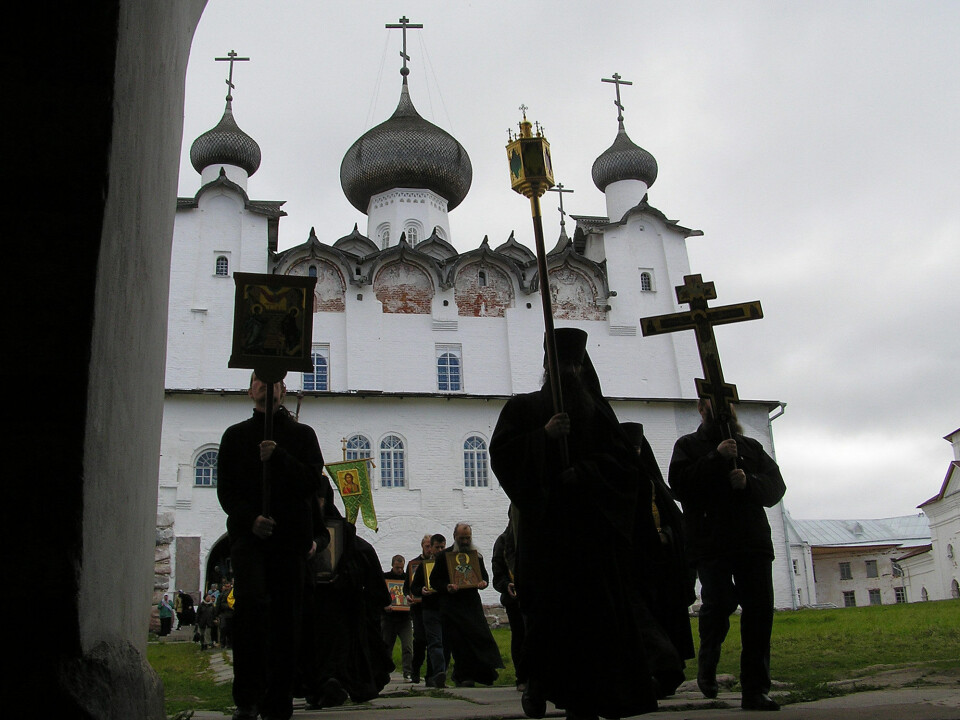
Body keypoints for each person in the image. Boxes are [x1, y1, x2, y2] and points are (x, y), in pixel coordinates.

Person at [490, 328, 658, 720]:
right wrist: (543, 438)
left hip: (591, 539)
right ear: (548, 366)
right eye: (561, 363)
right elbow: (503, 457)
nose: (568, 369)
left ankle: (597, 695)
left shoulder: (597, 413)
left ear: (582, 367)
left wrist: (584, 472)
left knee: (596, 623)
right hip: (546, 537)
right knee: (548, 621)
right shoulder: (524, 408)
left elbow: (624, 467)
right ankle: (539, 686)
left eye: (574, 363)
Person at [217, 372, 326, 720]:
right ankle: (247, 698)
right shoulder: (235, 437)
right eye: (259, 381)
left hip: (289, 541)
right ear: (251, 390)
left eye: (274, 381)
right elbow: (227, 491)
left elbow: (312, 481)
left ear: (283, 390)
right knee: (250, 612)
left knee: (286, 620)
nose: (266, 387)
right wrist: (250, 519)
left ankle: (278, 702)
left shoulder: (302, 435)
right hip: (250, 540)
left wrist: (278, 457)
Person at [668, 398, 786, 712]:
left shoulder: (750, 447)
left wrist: (750, 482)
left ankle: (755, 689)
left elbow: (775, 487)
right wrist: (714, 458)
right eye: (710, 407)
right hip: (711, 542)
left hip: (752, 541)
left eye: (725, 408)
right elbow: (679, 486)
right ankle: (708, 660)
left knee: (759, 612)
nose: (719, 413)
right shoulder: (688, 446)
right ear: (700, 410)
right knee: (719, 602)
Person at [297, 484, 392, 709]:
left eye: (320, 499)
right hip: (309, 603)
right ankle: (316, 688)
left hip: (338, 604)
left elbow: (355, 564)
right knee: (310, 648)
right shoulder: (301, 527)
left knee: (336, 650)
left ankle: (334, 685)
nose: (317, 505)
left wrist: (341, 578)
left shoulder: (342, 531)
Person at [621, 421, 695, 698]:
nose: (636, 453)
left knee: (666, 618)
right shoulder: (620, 483)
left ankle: (669, 669)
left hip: (663, 567)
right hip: (636, 566)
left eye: (639, 448)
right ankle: (653, 671)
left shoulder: (655, 484)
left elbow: (676, 522)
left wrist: (666, 535)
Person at [429, 523, 503, 687]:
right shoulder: (444, 557)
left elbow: (483, 577)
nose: (465, 541)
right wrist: (447, 587)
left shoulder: (475, 557)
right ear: (455, 536)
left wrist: (483, 583)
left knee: (479, 638)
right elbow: (434, 580)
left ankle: (483, 674)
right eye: (462, 538)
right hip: (452, 607)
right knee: (459, 643)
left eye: (467, 538)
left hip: (471, 605)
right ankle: (462, 676)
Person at [409, 533, 448, 688]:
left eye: (442, 547)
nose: (439, 550)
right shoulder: (424, 566)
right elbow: (414, 586)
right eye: (436, 547)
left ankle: (436, 674)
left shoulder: (448, 564)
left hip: (444, 608)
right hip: (429, 609)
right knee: (434, 642)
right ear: (430, 548)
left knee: (443, 642)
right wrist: (422, 590)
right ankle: (437, 673)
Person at [492, 522, 527, 692]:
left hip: (534, 597)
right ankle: (522, 677)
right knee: (520, 635)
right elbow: (498, 575)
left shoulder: (530, 537)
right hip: (514, 600)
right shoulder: (503, 542)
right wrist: (507, 585)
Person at [404, 535, 433, 684]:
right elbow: (407, 587)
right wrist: (408, 596)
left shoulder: (437, 563)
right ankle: (415, 670)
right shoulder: (414, 564)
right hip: (418, 608)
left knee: (433, 641)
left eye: (431, 546)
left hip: (433, 608)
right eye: (427, 546)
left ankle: (430, 675)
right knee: (420, 640)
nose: (429, 549)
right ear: (422, 546)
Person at [382, 554, 414, 681]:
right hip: (389, 618)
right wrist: (384, 606)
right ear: (392, 566)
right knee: (386, 646)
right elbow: (379, 595)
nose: (400, 570)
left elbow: (413, 593)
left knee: (407, 646)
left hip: (405, 618)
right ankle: (384, 671)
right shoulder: (385, 578)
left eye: (401, 568)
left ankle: (407, 672)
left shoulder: (408, 578)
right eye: (397, 568)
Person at [216, 580, 235, 649]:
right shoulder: (222, 595)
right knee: (223, 629)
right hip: (224, 614)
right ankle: (223, 644)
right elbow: (219, 604)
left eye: (228, 586)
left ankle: (230, 644)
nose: (227, 588)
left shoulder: (232, 593)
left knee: (230, 630)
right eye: (226, 586)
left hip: (231, 614)